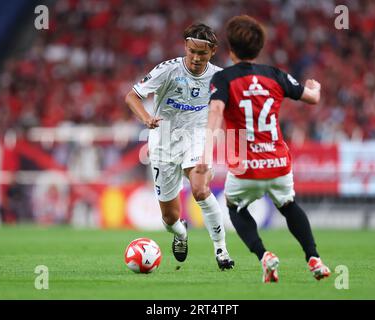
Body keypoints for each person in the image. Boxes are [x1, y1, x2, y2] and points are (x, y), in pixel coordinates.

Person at [195, 15, 330, 282]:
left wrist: (204, 157)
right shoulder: (275, 75)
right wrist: (316, 87)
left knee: (235, 208)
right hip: (278, 162)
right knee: (289, 205)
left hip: (245, 167)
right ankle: (314, 258)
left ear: (230, 50)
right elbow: (312, 97)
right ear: (260, 48)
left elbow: (216, 112)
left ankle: (264, 255)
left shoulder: (224, 79)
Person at [125, 23, 234, 270]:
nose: (196, 57)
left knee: (200, 189)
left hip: (196, 138)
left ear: (213, 51)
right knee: (169, 218)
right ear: (185, 46)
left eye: (202, 53)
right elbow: (131, 96)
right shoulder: (168, 70)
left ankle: (221, 251)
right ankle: (181, 233)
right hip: (163, 141)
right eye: (192, 51)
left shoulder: (219, 77)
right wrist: (146, 118)